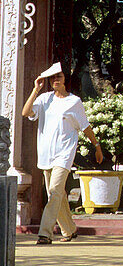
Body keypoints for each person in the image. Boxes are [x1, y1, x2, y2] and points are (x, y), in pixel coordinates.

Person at [22, 64, 103, 244]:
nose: (55, 80)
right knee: (58, 195)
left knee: (54, 192)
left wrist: (97, 146)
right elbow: (25, 112)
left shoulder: (74, 102)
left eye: (58, 76)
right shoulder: (44, 99)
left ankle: (45, 233)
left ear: (65, 78)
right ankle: (70, 229)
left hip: (64, 154)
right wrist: (35, 90)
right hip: (46, 154)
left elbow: (85, 127)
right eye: (52, 78)